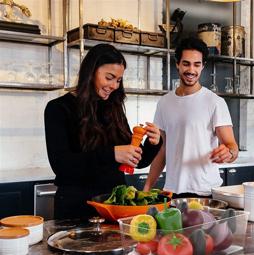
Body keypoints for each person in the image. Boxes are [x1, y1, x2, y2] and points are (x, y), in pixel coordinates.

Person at [44, 43, 162, 219]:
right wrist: (112, 154)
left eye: (118, 80)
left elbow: (136, 161)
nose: (114, 85)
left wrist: (153, 143)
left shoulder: (114, 108)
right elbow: (62, 166)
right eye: (109, 77)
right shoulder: (58, 109)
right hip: (76, 210)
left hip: (113, 209)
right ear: (91, 72)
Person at [143, 36, 238, 198]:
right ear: (177, 64)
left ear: (203, 66)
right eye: (186, 63)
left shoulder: (215, 102)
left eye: (197, 64)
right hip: (172, 191)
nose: (191, 70)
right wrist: (147, 187)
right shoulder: (164, 103)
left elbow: (232, 147)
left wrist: (228, 153)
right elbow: (162, 150)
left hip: (205, 192)